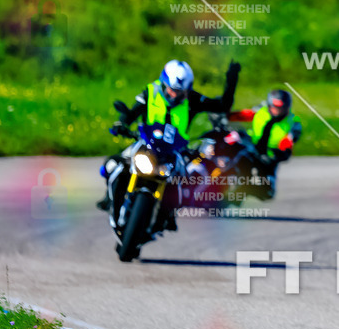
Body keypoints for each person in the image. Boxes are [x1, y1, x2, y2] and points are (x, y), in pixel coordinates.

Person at [97, 59, 241, 226]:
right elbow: (132, 113)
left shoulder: (192, 99)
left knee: (184, 185)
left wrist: (232, 78)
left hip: (175, 152)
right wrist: (122, 123)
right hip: (145, 144)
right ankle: (110, 198)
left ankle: (167, 215)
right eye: (171, 89)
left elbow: (223, 106)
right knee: (111, 165)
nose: (174, 94)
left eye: (179, 91)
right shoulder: (151, 92)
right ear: (164, 82)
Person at [226, 89, 303, 199]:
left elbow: (290, 140)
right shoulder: (261, 110)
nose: (277, 111)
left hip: (269, 156)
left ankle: (245, 190)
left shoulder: (293, 121)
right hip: (251, 147)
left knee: (268, 193)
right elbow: (242, 115)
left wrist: (280, 153)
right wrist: (225, 115)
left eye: (280, 108)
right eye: (274, 107)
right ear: (269, 104)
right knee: (238, 157)